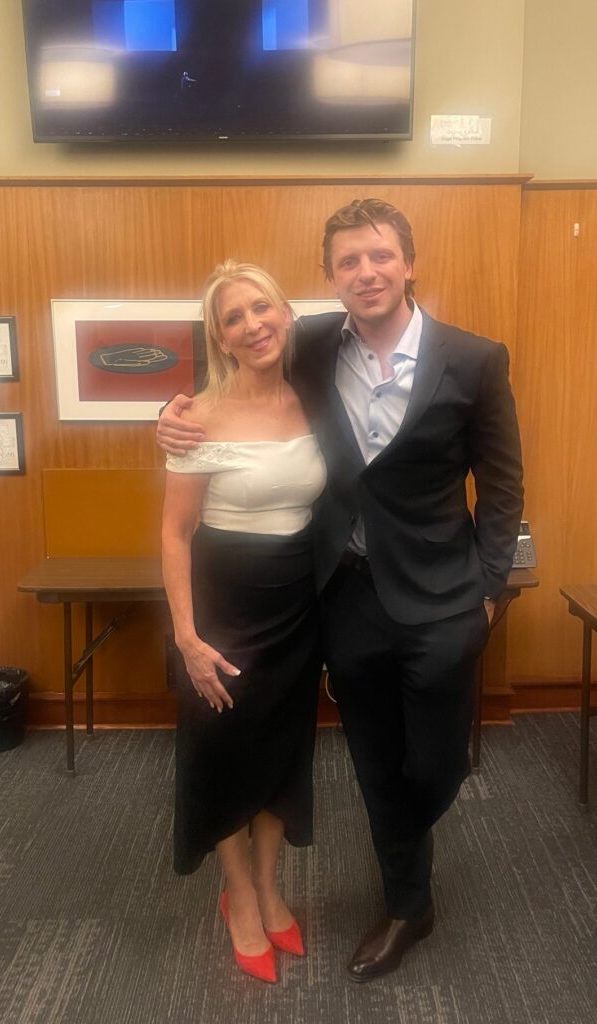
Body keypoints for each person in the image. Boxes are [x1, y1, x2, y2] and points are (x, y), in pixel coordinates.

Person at [158, 199, 524, 982]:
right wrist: (171, 413)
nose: (366, 272)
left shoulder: (473, 360)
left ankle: (405, 835)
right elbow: (236, 367)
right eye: (348, 262)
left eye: (379, 255)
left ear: (408, 263)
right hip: (344, 598)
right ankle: (407, 904)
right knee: (371, 761)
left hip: (443, 599)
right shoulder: (314, 343)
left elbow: (501, 487)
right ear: (328, 278)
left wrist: (489, 592)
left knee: (433, 764)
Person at [161, 260, 326, 984]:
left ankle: (267, 884)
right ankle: (240, 898)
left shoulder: (316, 392)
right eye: (234, 318)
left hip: (297, 607)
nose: (253, 325)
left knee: (282, 753)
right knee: (224, 754)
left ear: (285, 311)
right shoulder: (196, 417)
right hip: (221, 610)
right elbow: (175, 533)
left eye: (262, 307)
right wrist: (187, 639)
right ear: (220, 338)